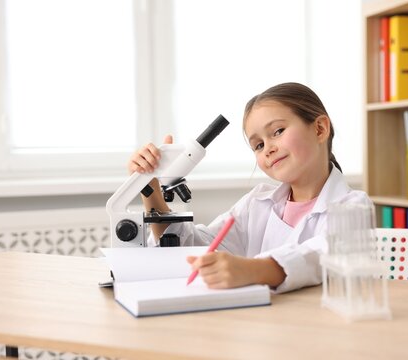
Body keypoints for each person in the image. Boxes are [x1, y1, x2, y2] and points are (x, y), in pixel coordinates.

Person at [128, 82, 372, 293]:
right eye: (257, 145)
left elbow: (324, 256)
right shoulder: (256, 203)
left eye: (277, 131)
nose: (268, 148)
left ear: (320, 129)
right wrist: (149, 189)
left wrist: (253, 269)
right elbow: (192, 248)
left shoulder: (353, 205)